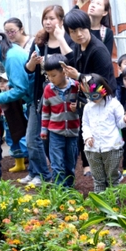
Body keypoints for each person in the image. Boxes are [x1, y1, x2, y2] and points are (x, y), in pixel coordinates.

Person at [55, 8, 117, 178]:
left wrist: (79, 76)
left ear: (88, 27)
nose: (78, 34)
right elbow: (74, 59)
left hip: (104, 100)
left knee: (105, 142)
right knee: (90, 139)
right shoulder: (78, 45)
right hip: (90, 100)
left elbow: (103, 85)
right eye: (73, 31)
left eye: (82, 29)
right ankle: (98, 175)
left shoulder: (98, 50)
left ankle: (112, 177)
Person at [0, 31, 37, 181]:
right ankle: (35, 172)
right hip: (31, 99)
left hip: (34, 99)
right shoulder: (8, 53)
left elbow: (21, 88)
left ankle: (40, 174)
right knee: (31, 140)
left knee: (33, 141)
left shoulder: (11, 56)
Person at [24, 5, 71, 184]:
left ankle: (64, 177)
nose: (48, 22)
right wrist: (33, 62)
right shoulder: (39, 42)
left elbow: (73, 63)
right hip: (42, 97)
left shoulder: (66, 40)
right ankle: (45, 174)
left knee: (62, 140)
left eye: (52, 18)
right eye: (45, 18)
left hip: (64, 98)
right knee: (34, 138)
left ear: (60, 20)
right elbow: (28, 70)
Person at [81, 73, 126, 193]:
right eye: (88, 95)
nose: (92, 99)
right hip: (92, 149)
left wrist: (125, 119)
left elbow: (120, 123)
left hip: (111, 146)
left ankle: (113, 203)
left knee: (112, 178)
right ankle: (101, 204)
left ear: (103, 90)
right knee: (98, 179)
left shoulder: (113, 104)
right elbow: (85, 124)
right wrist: (87, 137)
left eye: (95, 95)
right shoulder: (87, 107)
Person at [40, 55, 80, 187]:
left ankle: (69, 187)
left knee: (70, 162)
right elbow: (46, 111)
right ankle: (59, 190)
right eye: (48, 76)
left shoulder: (76, 87)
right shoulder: (48, 89)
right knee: (56, 162)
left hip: (73, 132)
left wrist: (78, 108)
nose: (50, 79)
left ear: (64, 71)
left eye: (53, 75)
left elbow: (88, 104)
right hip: (55, 132)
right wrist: (44, 129)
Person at [0, 71, 28, 172]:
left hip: (18, 125)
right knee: (12, 143)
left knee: (23, 142)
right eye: (0, 81)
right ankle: (19, 164)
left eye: (5, 81)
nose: (1, 83)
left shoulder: (17, 95)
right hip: (8, 125)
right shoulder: (0, 96)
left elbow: (23, 109)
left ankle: (33, 161)